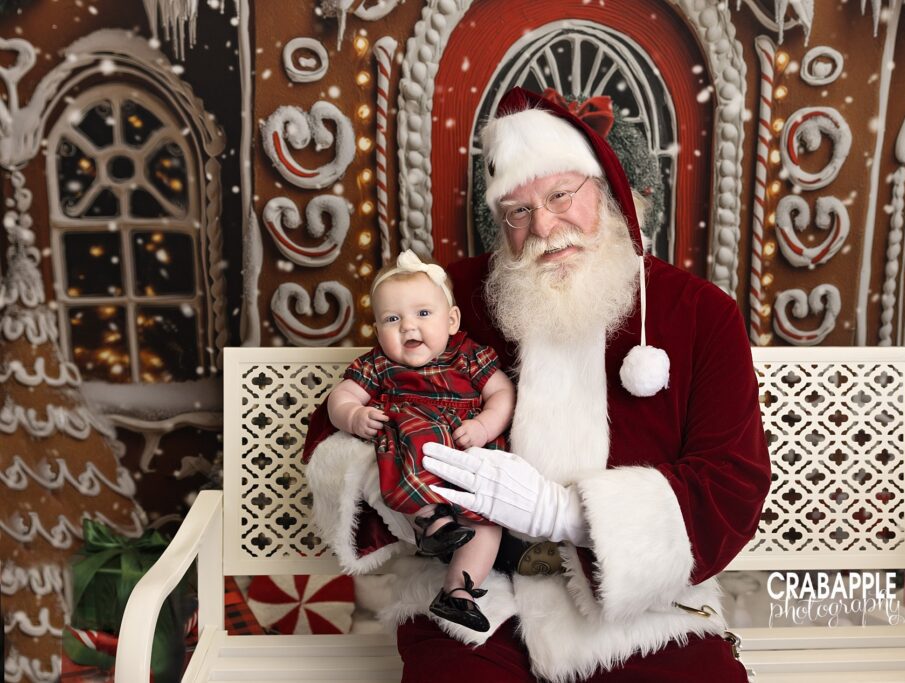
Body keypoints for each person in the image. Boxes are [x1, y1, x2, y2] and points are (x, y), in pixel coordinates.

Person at [302, 87, 771, 682]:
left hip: (637, 609)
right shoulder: (451, 299)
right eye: (517, 212)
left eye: (560, 196)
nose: (544, 226)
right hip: (479, 597)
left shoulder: (699, 313)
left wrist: (562, 514)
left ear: (606, 190)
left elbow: (731, 481)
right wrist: (414, 492)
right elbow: (336, 430)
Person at [326, 250, 515, 632]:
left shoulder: (469, 355)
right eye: (392, 319)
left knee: (487, 521)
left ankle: (458, 593)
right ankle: (430, 522)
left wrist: (483, 426)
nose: (408, 327)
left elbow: (503, 394)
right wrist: (355, 415)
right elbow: (339, 398)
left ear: (452, 320)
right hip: (415, 443)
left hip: (469, 450)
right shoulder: (379, 365)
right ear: (378, 331)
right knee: (414, 434)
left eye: (423, 314)